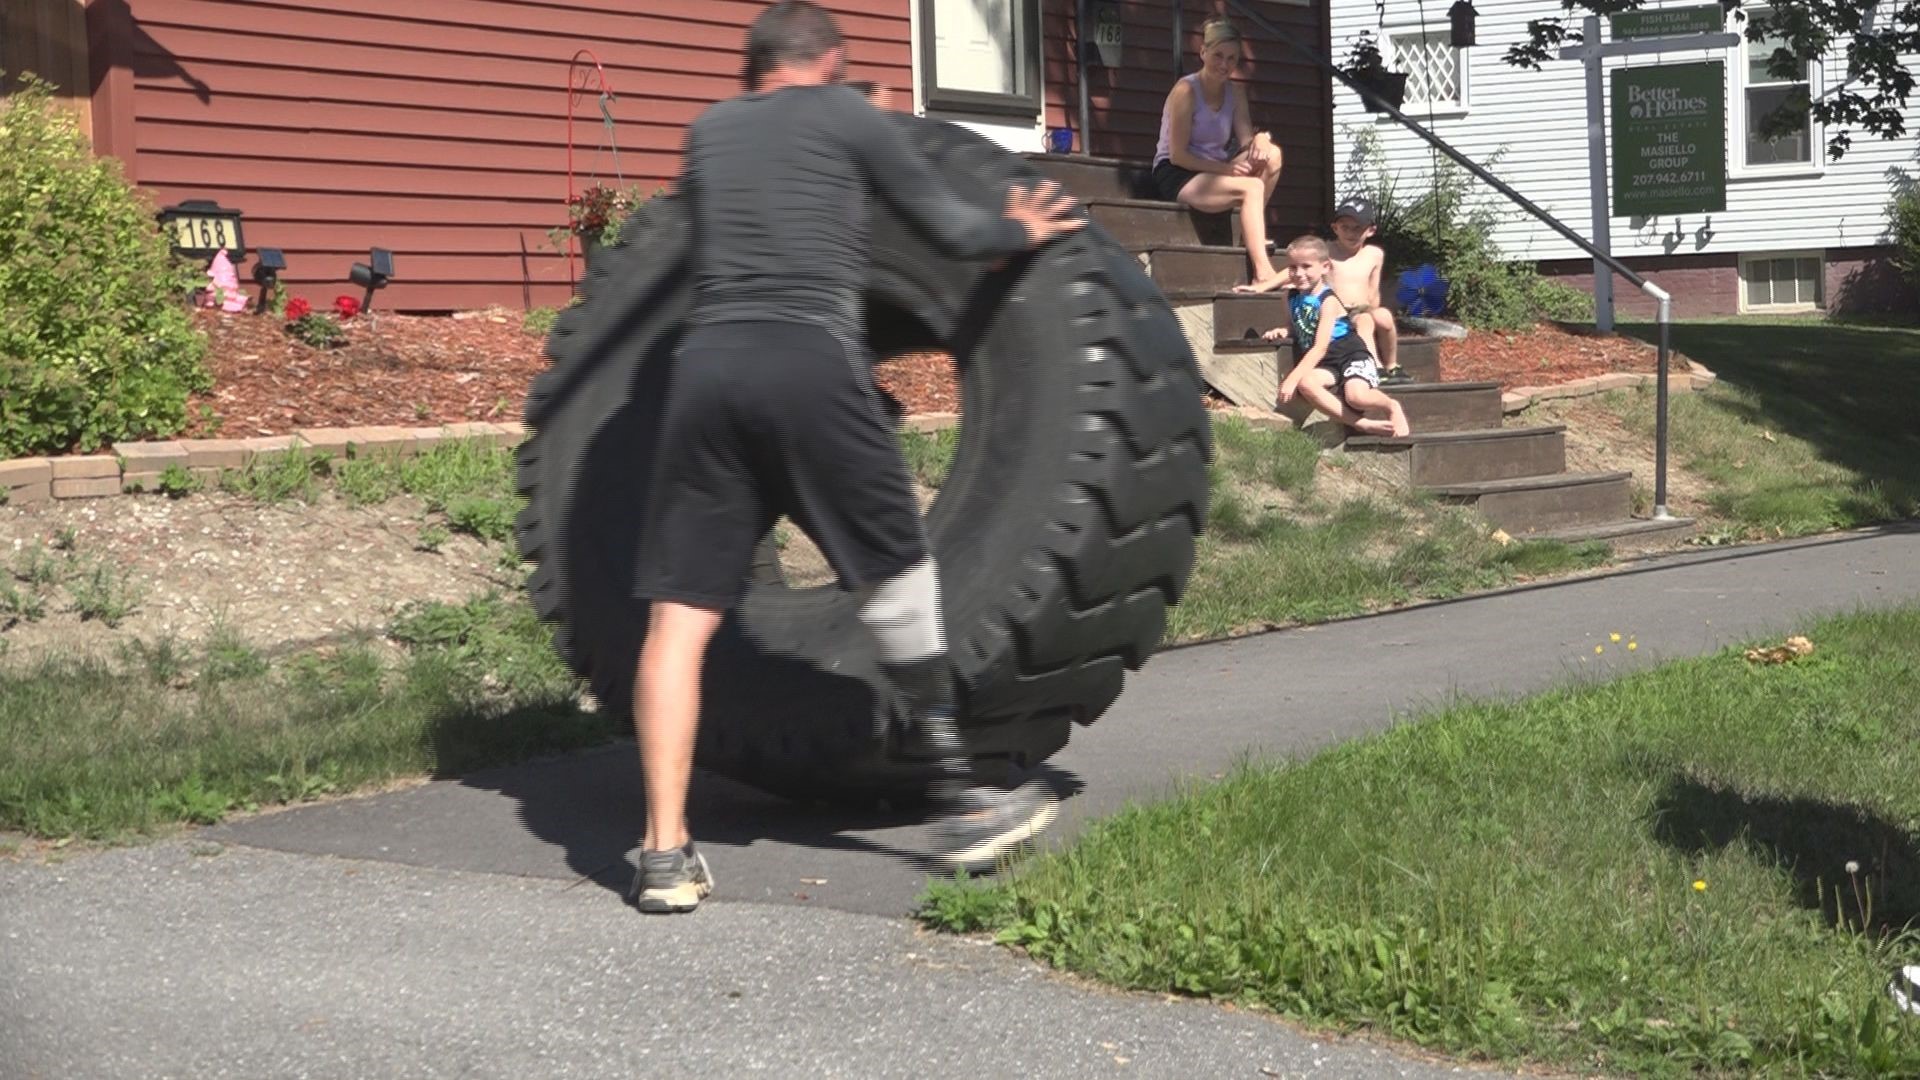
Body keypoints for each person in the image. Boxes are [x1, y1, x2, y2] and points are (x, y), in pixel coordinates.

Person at [627, 0, 1086, 915]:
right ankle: (961, 802)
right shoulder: (844, 113)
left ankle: (664, 855)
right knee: (896, 573)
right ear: (830, 62)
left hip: (706, 371)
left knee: (678, 620)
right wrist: (1020, 232)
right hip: (808, 359)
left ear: (754, 66)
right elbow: (952, 231)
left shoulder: (709, 130)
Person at [1150, 17, 1287, 294]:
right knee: (1251, 186)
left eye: (1232, 59)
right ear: (1203, 52)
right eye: (1218, 56)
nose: (1224, 65)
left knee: (1272, 155)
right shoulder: (1186, 91)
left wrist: (1262, 137)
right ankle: (1262, 272)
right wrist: (1225, 171)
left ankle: (1249, 235)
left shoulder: (1235, 92)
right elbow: (1177, 155)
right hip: (1179, 172)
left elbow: (1248, 142)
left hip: (1215, 170)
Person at [1261, 235, 1410, 437]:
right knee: (1307, 384)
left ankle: (1391, 406)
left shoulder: (1327, 300)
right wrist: (1283, 330)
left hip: (1351, 356)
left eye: (1306, 266)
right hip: (1328, 364)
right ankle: (1361, 423)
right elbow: (1295, 326)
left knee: (1356, 397)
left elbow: (1320, 346)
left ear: (1325, 267)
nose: (1299, 273)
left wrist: (1291, 378)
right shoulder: (1289, 296)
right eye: (1293, 267)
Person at [1327, 196, 1412, 386]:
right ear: (1335, 228)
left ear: (1370, 230)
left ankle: (1392, 365)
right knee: (1365, 321)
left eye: (1357, 228)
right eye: (1345, 227)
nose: (1350, 233)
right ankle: (1374, 366)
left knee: (1384, 316)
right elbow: (1296, 270)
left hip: (1363, 308)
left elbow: (1373, 290)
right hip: (1337, 312)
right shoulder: (1327, 251)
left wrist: (1374, 310)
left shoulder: (1374, 254)